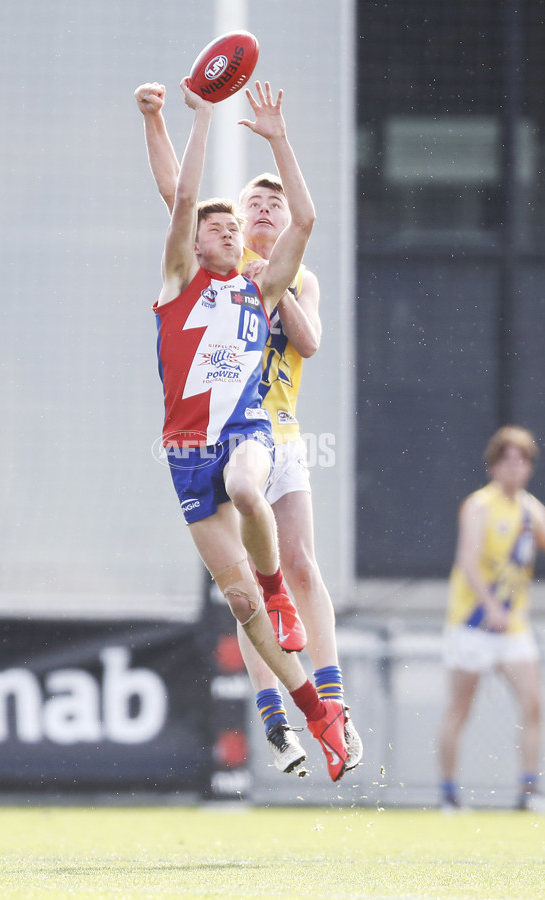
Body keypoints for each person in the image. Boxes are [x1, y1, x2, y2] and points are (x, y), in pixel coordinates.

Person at [135, 81, 363, 776]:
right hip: (183, 452)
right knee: (237, 600)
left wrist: (273, 136)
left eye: (237, 225)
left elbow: (308, 224)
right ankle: (307, 716)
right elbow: (181, 198)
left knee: (258, 508)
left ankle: (312, 665)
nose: (234, 228)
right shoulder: (182, 281)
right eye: (224, 223)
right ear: (201, 238)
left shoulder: (262, 286)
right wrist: (165, 119)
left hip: (255, 433)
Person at [438, 426, 545, 812]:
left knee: (533, 703)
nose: (515, 468)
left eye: (523, 461)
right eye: (508, 460)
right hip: (473, 623)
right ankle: (448, 793)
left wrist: (507, 613)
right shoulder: (480, 506)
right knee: (461, 707)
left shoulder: (532, 511)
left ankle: (528, 792)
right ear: (494, 465)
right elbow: (468, 560)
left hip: (513, 628)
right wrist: (492, 606)